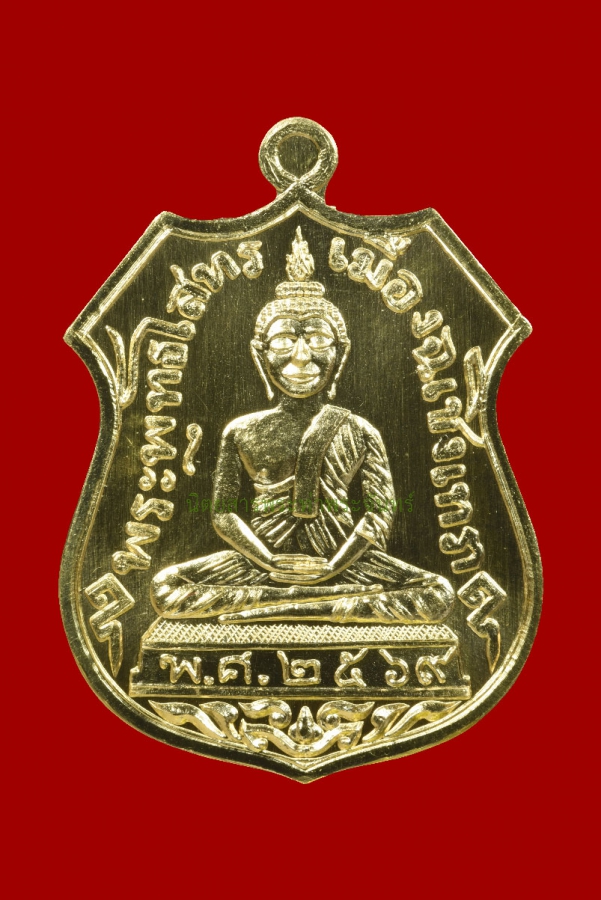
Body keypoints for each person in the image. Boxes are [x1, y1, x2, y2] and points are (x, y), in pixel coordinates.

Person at [151, 228, 454, 624]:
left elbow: (379, 515)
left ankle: (288, 604)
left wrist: (333, 567)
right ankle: (324, 604)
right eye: (282, 341)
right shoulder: (240, 431)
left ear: (340, 353)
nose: (301, 356)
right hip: (259, 563)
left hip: (344, 563)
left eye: (317, 339)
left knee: (436, 593)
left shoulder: (360, 431)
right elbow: (223, 515)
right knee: (165, 588)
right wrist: (268, 560)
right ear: (260, 354)